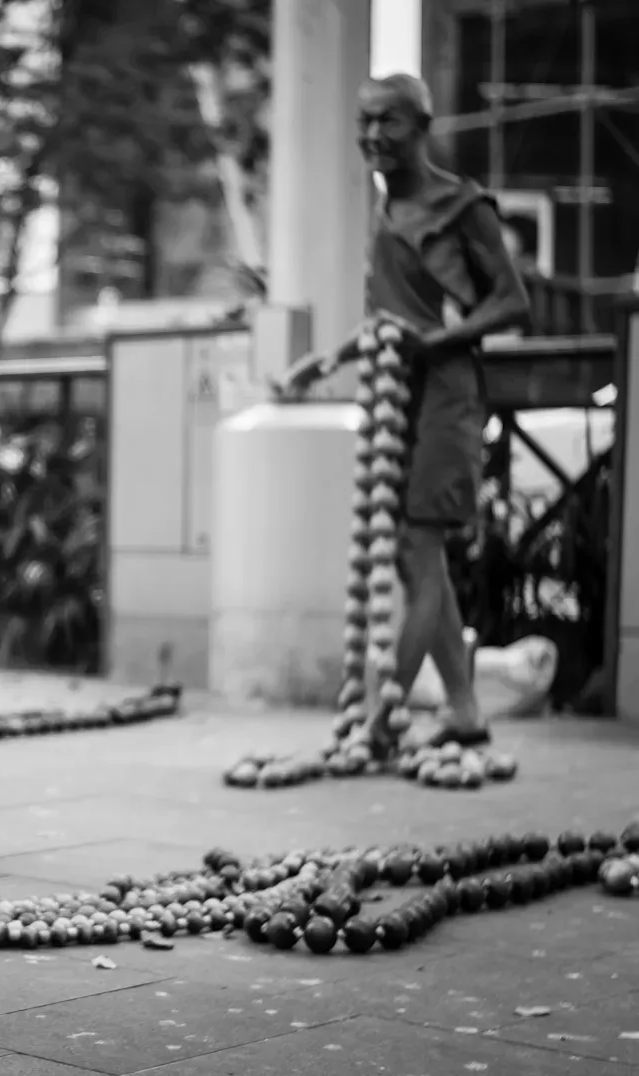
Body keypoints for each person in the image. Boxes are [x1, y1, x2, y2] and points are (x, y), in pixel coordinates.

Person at [281, 74, 529, 755]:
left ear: (422, 125)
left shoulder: (461, 206)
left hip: (447, 396)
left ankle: (378, 722)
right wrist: (328, 360)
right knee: (416, 561)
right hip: (396, 396)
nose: (371, 137)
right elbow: (391, 321)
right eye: (363, 122)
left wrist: (441, 340)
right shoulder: (387, 211)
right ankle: (466, 709)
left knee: (418, 553)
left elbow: (513, 304)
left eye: (386, 122)